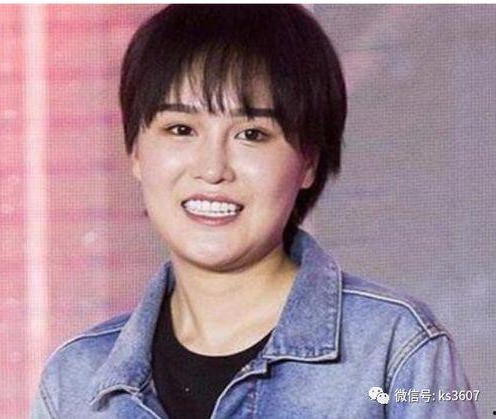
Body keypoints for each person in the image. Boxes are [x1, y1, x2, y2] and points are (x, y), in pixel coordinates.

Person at [31, 5, 477, 418]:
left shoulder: (395, 350)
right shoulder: (75, 380)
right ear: (135, 152)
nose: (212, 169)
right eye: (180, 129)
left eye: (252, 134)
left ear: (308, 161)